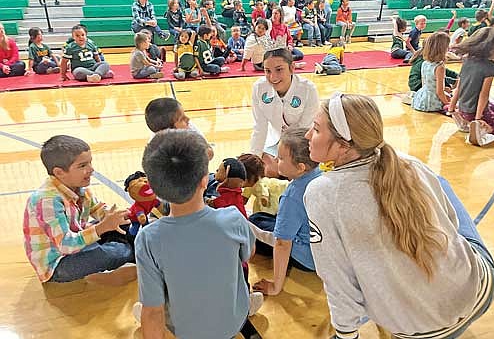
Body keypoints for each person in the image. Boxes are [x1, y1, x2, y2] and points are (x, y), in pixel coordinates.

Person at [304, 92, 494, 339]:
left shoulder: (321, 193)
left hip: (420, 332)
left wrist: (346, 334)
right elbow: (451, 220)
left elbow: (336, 278)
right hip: (480, 290)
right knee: (440, 185)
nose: (308, 135)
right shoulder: (407, 163)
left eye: (316, 129)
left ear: (343, 145)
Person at [135, 130, 256, 338]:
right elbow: (249, 253)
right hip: (232, 323)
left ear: (153, 188)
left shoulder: (148, 239)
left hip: (186, 331)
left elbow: (153, 312)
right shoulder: (233, 219)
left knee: (149, 304)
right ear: (203, 181)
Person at [23, 135, 136, 284]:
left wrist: (118, 217)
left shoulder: (79, 188)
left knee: (125, 227)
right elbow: (65, 245)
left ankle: (129, 250)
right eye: (83, 166)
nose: (91, 169)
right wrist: (103, 227)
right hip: (59, 263)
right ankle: (129, 254)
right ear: (59, 172)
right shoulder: (47, 201)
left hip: (78, 242)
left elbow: (98, 209)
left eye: (90, 163)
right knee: (114, 254)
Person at [251, 127, 320, 296]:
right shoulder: (321, 175)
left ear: (300, 167)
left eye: (281, 158)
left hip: (307, 259)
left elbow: (282, 244)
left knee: (254, 221)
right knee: (264, 218)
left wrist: (275, 287)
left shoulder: (292, 197)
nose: (275, 159)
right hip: (322, 253)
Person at [250, 48, 319, 164]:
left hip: (303, 143)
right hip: (274, 142)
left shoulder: (308, 89)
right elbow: (259, 127)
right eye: (267, 71)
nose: (273, 77)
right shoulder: (259, 88)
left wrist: (284, 158)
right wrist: (253, 158)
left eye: (279, 70)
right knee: (265, 169)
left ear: (292, 68)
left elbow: (304, 130)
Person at [449, 27, 494, 146]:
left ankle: (468, 123)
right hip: (476, 113)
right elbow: (484, 94)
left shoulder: (467, 60)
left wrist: (452, 109)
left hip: (463, 110)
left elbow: (459, 87)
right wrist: (478, 119)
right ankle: (486, 129)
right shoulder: (490, 66)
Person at [411, 32, 450, 113]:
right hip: (432, 102)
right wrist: (448, 104)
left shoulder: (425, 63)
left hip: (422, 97)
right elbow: (439, 92)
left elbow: (424, 83)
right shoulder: (439, 67)